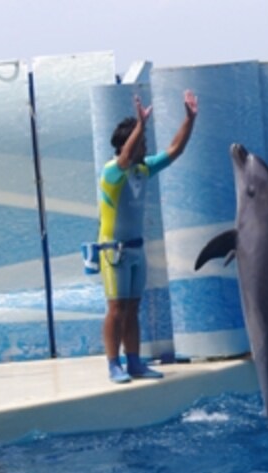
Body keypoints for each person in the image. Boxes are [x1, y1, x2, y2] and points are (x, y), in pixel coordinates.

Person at [98, 90, 198, 383]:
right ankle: (113, 364)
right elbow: (126, 156)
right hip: (112, 252)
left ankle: (134, 362)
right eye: (141, 140)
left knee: (133, 309)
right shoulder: (112, 172)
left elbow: (174, 150)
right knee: (116, 309)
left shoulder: (143, 169)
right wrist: (140, 125)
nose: (145, 145)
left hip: (135, 250)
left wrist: (189, 119)